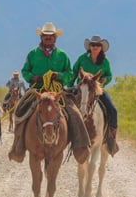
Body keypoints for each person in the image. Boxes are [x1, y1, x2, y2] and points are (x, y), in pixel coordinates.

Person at [8, 22, 91, 164]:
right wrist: (33, 77)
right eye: (45, 36)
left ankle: (80, 148)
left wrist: (58, 76)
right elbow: (25, 71)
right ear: (41, 37)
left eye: (50, 36)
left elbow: (70, 74)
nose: (48, 39)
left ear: (55, 38)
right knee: (20, 110)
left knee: (75, 113)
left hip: (57, 91)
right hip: (37, 90)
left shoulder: (62, 55)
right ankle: (18, 148)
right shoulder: (32, 54)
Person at [70, 35, 119, 157]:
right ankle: (65, 134)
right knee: (67, 107)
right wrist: (70, 86)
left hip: (97, 90)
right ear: (89, 47)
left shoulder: (105, 62)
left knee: (113, 109)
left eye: (97, 45)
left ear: (101, 48)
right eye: (93, 45)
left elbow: (109, 75)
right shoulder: (82, 58)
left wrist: (103, 81)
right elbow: (74, 72)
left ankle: (111, 137)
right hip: (82, 89)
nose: (95, 47)